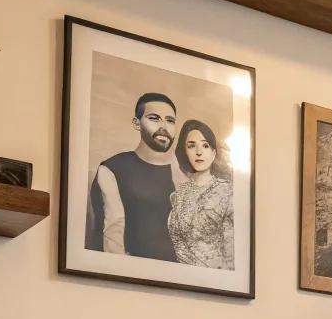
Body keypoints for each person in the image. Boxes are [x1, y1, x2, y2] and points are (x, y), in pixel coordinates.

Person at [86, 92, 179, 260]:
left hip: (182, 280)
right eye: (154, 118)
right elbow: (111, 235)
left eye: (170, 120)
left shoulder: (184, 173)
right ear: (137, 123)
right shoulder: (113, 169)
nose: (164, 126)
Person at [167, 119, 235, 270]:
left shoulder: (227, 192)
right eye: (191, 146)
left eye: (205, 145)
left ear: (213, 152)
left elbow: (231, 257)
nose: (199, 152)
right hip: (180, 280)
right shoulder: (177, 195)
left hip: (214, 282)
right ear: (184, 151)